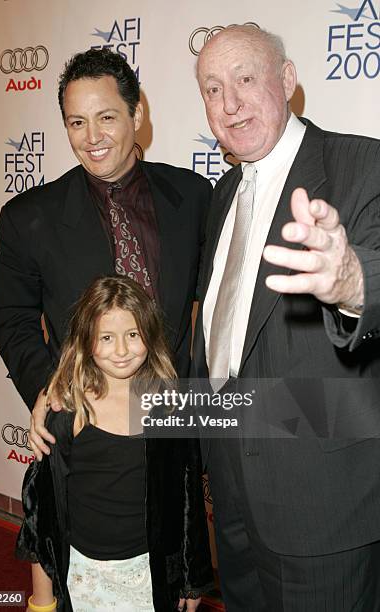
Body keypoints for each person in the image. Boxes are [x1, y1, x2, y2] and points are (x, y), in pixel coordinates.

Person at [192, 24, 380, 611]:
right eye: (212, 88)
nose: (229, 103)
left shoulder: (361, 163)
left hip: (324, 512)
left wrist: (350, 280)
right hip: (233, 500)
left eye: (246, 79)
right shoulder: (222, 193)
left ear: (288, 79)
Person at [0, 48, 212, 458]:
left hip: (174, 426)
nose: (91, 137)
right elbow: (10, 315)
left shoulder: (194, 196)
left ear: (137, 116)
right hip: (83, 425)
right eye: (77, 122)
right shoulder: (28, 217)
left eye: (106, 117)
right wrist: (48, 386)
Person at [17, 275, 213, 612]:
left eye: (133, 335)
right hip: (82, 576)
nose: (121, 350)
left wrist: (192, 582)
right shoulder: (68, 409)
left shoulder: (170, 407)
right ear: (85, 341)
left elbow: (188, 498)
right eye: (106, 337)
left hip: (149, 579)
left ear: (149, 336)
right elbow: (41, 515)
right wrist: (42, 602)